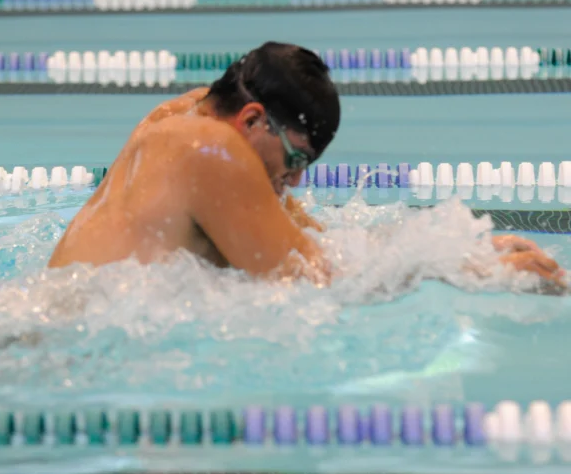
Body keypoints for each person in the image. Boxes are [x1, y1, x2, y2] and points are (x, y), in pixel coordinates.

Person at [48, 42, 565, 289]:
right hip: (46, 353)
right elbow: (315, 284)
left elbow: (315, 240)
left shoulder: (184, 115)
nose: (294, 180)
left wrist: (456, 246)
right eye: (294, 159)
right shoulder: (213, 151)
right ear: (253, 119)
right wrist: (464, 272)